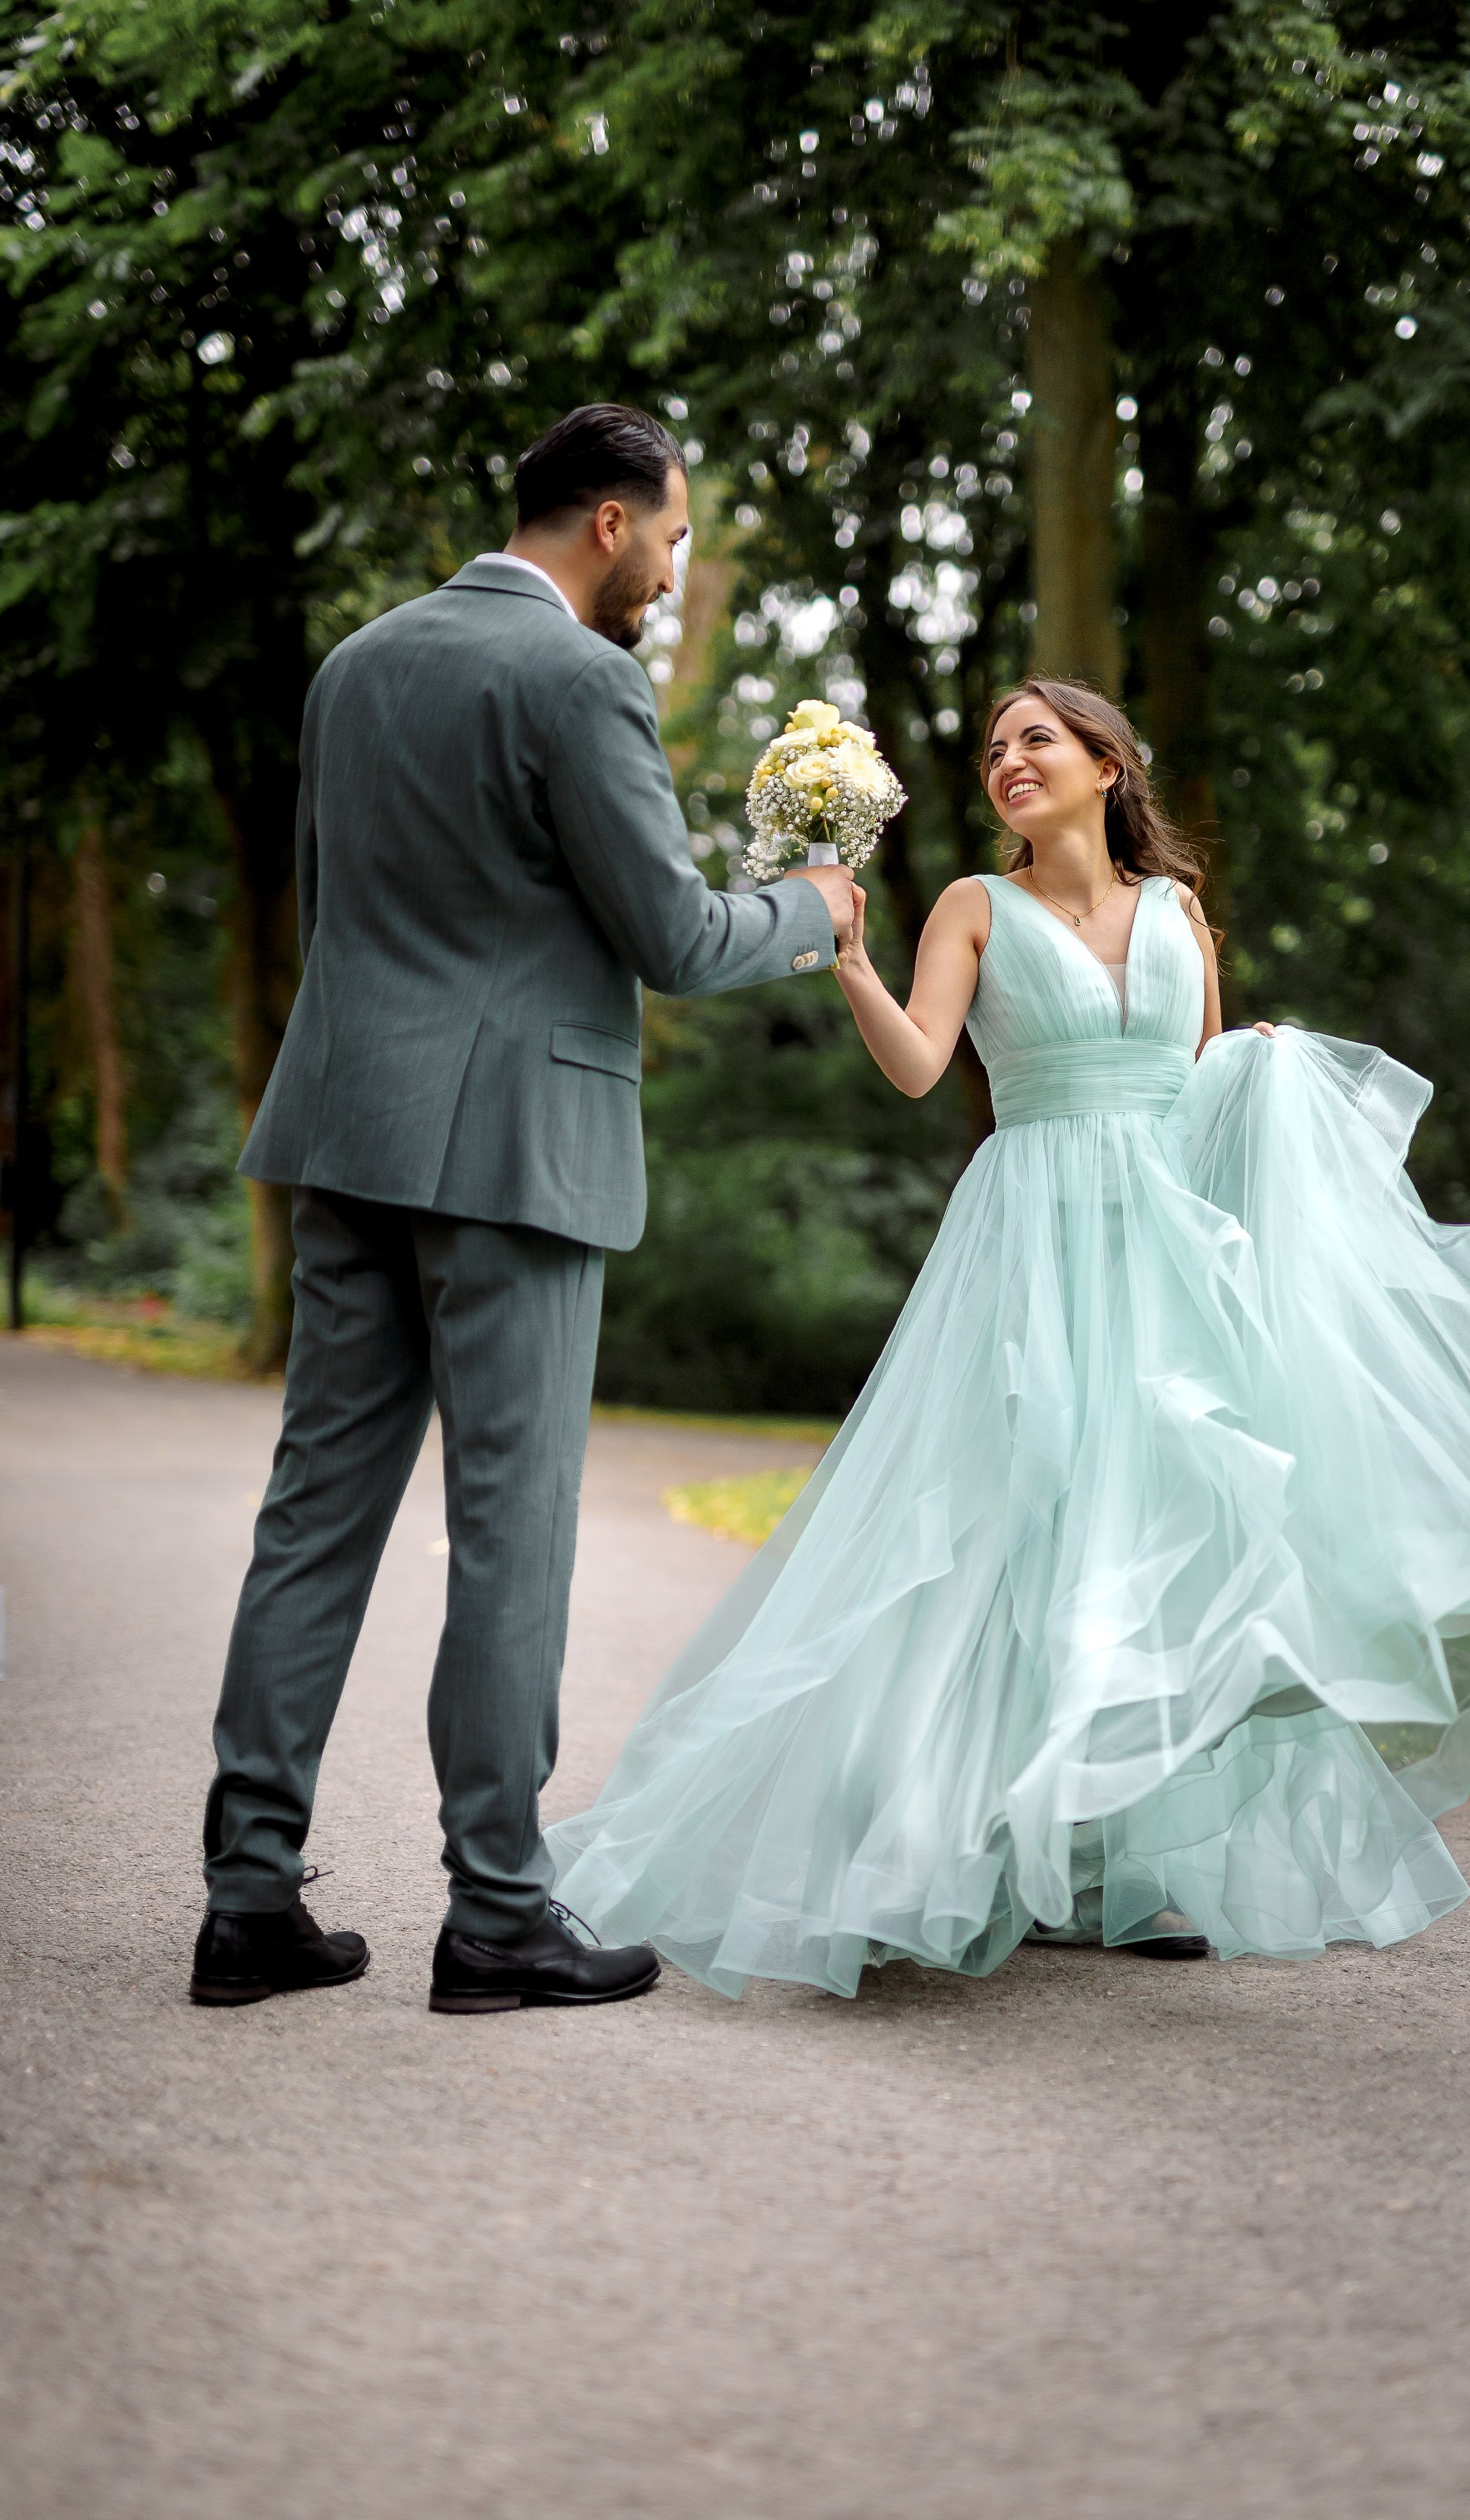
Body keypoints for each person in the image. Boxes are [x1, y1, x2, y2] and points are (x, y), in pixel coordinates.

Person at [547, 678, 1470, 1997]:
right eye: (992, 750)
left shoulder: (1178, 915)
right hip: (1026, 1240)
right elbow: (920, 1064)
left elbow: (1195, 1091)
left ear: (1105, 763)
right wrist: (846, 948)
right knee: (1012, 1520)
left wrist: (1256, 1064)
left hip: (1162, 1246)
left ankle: (1119, 1870)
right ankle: (940, 1845)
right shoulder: (976, 905)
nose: (1008, 762)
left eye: (1037, 740)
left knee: (1153, 1537)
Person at [191, 404, 855, 2014]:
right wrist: (812, 908)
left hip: (350, 1133)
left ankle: (246, 1898)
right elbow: (676, 938)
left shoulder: (355, 664)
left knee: (313, 1517)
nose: (677, 573)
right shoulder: (578, 675)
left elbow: (335, 906)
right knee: (510, 1532)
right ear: (611, 525)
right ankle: (496, 1910)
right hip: (517, 1159)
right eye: (678, 538)